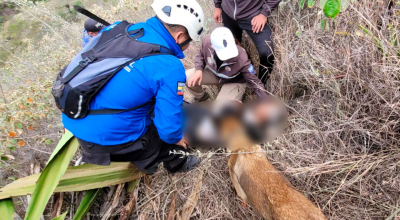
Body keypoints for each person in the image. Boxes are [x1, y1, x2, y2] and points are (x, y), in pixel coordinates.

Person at [63, 0, 205, 174]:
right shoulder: (169, 66)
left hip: (76, 115)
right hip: (105, 138)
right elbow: (168, 131)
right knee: (167, 134)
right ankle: (176, 162)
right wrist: (178, 140)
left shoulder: (118, 29)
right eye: (190, 41)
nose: (188, 46)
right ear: (180, 36)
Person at [186, 27, 267, 103]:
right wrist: (198, 70)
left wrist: (265, 100)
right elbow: (200, 55)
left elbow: (254, 80)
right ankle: (201, 97)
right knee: (186, 77)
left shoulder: (241, 57)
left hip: (234, 81)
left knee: (220, 110)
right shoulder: (207, 43)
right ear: (212, 47)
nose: (228, 56)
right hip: (215, 74)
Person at [213, 0, 281, 84]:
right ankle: (239, 77)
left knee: (267, 53)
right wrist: (217, 5)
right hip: (228, 13)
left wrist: (264, 13)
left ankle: (259, 85)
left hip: (253, 14)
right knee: (228, 52)